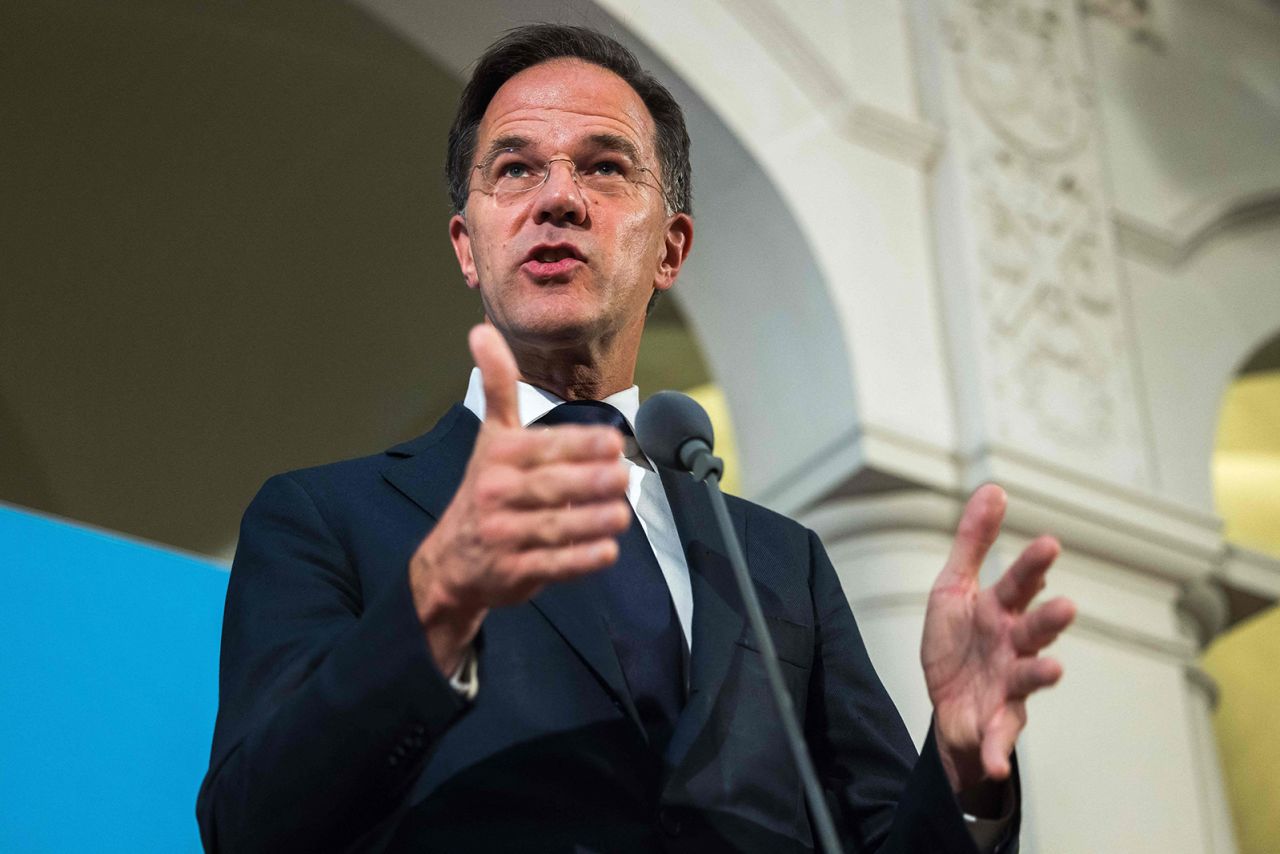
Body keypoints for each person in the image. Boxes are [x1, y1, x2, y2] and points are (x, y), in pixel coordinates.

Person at [197, 24, 1075, 853]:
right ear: (468, 247)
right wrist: (435, 606)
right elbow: (249, 824)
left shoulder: (781, 562)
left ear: (671, 248)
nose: (559, 200)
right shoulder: (325, 516)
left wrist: (962, 769)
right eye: (514, 169)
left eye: (605, 167)